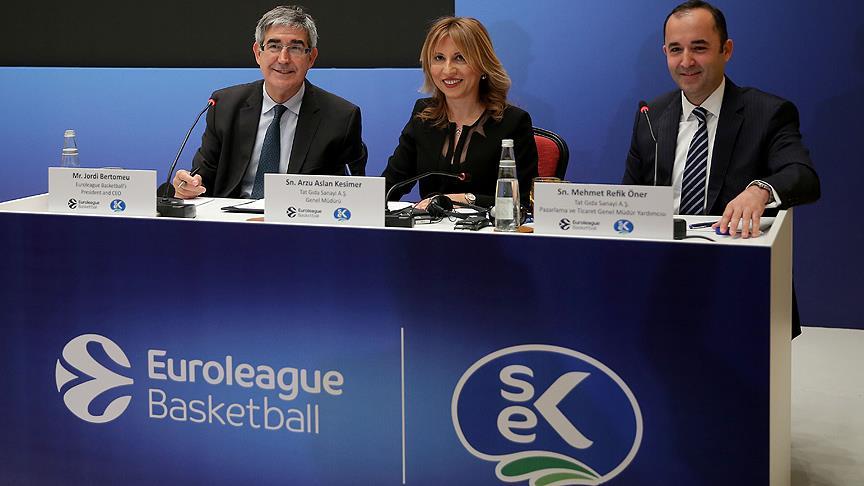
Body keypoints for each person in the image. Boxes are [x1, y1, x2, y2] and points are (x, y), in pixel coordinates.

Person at [623, 0, 819, 238]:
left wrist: (760, 191)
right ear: (665, 53)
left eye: (699, 48)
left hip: (734, 251)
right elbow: (629, 202)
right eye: (676, 50)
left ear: (726, 50)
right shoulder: (650, 116)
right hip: (661, 253)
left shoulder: (767, 113)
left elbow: (803, 176)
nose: (686, 62)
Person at [173, 5, 366, 199]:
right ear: (258, 53)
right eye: (274, 46)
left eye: (296, 48)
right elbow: (203, 178)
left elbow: (352, 194)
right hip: (231, 215)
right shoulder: (224, 105)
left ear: (311, 58)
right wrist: (188, 185)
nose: (283, 59)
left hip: (300, 216)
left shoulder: (340, 117)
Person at [382, 16, 538, 209]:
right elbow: (390, 186)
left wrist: (466, 199)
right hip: (430, 227)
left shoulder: (513, 122)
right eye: (439, 58)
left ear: (482, 64)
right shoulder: (423, 115)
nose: (448, 70)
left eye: (460, 58)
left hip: (489, 228)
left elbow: (522, 202)